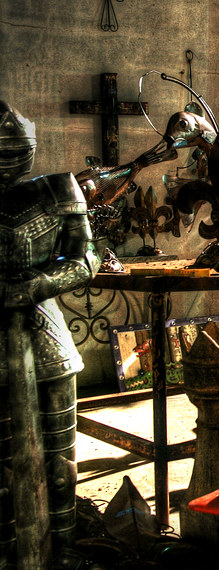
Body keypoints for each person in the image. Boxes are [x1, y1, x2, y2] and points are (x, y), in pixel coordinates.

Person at [0, 101, 99, 566]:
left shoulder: (57, 189)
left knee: (61, 467)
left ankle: (61, 549)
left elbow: (85, 260)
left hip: (47, 336)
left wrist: (36, 284)